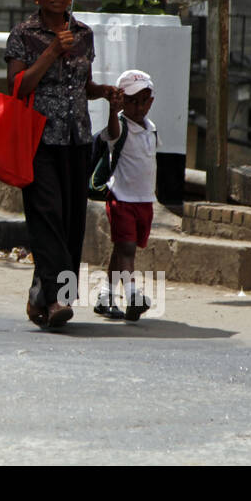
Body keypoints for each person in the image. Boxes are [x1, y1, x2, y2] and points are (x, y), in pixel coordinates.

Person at [5, 0, 117, 330]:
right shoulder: (23, 35)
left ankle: (41, 294)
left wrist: (102, 92)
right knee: (47, 217)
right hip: (38, 139)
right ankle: (58, 300)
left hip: (77, 139)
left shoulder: (83, 34)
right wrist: (52, 50)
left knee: (71, 225)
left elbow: (82, 86)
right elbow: (18, 87)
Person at [93, 69, 158, 321]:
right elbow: (112, 133)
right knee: (127, 248)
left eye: (143, 100)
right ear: (121, 101)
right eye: (131, 100)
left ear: (150, 101)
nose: (138, 107)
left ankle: (105, 296)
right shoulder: (119, 125)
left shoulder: (151, 129)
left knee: (122, 250)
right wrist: (112, 110)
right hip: (121, 199)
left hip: (144, 201)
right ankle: (133, 296)